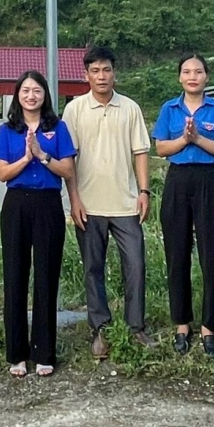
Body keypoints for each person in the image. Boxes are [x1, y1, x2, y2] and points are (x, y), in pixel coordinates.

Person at [63, 46, 159, 359]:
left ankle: (135, 327)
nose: (101, 76)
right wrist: (74, 199)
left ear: (114, 73)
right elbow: (69, 160)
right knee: (93, 268)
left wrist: (144, 192)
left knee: (135, 265)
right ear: (85, 75)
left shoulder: (130, 108)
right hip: (88, 206)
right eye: (95, 71)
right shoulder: (75, 110)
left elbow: (140, 152)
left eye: (106, 70)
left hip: (126, 205)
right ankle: (100, 330)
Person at [152, 53, 214, 359]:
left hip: (209, 181)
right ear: (180, 78)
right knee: (177, 254)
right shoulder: (169, 109)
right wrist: (184, 140)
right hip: (178, 180)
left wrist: (198, 138)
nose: (192, 76)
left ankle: (210, 326)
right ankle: (181, 323)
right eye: (186, 71)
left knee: (212, 254)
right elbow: (161, 147)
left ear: (206, 77)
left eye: (198, 71)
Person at [0, 69, 77, 377]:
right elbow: (2, 174)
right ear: (18, 95)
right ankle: (16, 353)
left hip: (48, 205)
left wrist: (41, 154)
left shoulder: (58, 127)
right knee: (15, 276)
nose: (31, 95)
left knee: (46, 276)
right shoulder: (7, 130)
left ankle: (44, 351)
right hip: (16, 205)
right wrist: (27, 158)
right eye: (26, 90)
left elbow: (67, 169)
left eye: (37, 90)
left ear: (45, 95)